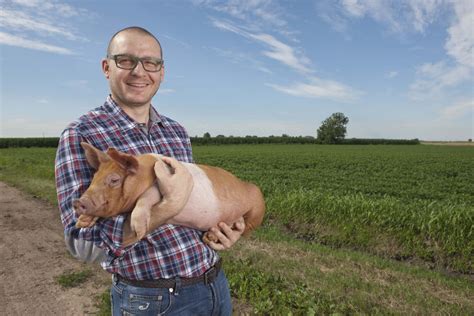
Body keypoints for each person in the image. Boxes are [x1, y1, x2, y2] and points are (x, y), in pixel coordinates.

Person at [55, 26, 245, 315]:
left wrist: (220, 228)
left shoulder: (176, 132)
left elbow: (193, 206)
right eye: (126, 60)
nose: (139, 72)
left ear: (162, 72)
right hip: (152, 300)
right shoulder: (82, 134)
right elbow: (81, 245)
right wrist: (164, 208)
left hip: (214, 284)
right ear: (107, 67)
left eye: (150, 62)